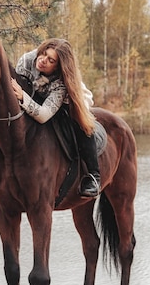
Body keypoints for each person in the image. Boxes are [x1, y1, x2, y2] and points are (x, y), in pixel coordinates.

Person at [11, 38, 100, 198]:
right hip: (35, 96)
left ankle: (93, 176)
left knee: (80, 120)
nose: (43, 60)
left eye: (50, 60)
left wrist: (23, 97)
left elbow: (44, 115)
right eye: (44, 54)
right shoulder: (25, 61)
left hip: (70, 100)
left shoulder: (61, 83)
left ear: (58, 67)